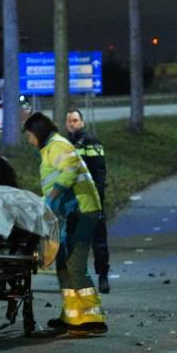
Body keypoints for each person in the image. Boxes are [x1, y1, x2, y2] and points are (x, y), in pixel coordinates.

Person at [22, 112, 107, 335]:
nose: (29, 140)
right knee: (63, 265)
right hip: (71, 213)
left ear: (38, 133)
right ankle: (72, 315)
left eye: (30, 135)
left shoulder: (58, 146)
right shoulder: (50, 149)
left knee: (74, 264)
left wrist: (51, 198)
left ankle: (93, 318)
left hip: (82, 210)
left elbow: (69, 172)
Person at [65, 109, 110, 293]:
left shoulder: (91, 142)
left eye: (75, 120)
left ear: (82, 122)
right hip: (72, 201)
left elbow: (99, 172)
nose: (72, 124)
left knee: (98, 240)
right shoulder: (66, 145)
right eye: (70, 121)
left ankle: (103, 276)